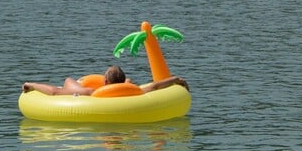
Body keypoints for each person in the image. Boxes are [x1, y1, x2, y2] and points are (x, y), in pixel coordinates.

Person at [22, 65, 188, 96]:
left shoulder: (93, 92)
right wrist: (177, 79)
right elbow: (156, 86)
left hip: (91, 95)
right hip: (123, 91)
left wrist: (31, 85)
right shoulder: (134, 90)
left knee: (68, 80)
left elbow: (54, 91)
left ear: (105, 83)